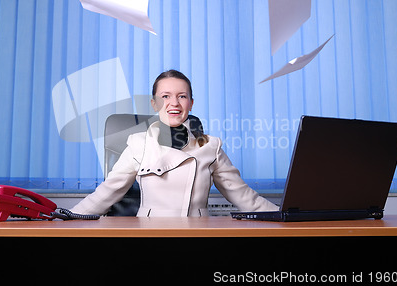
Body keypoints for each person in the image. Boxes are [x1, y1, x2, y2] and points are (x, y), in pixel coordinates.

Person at [71, 69, 278, 217]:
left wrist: (282, 215)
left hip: (197, 234)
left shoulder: (210, 146)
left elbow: (243, 196)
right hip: (148, 235)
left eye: (182, 96)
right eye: (165, 96)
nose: (174, 103)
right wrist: (67, 215)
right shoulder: (138, 144)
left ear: (191, 103)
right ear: (154, 104)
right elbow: (108, 192)